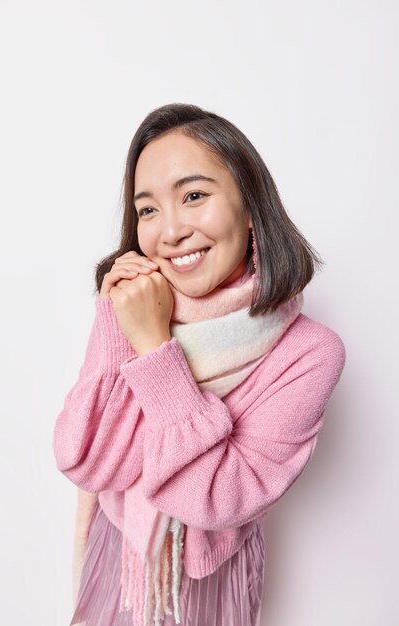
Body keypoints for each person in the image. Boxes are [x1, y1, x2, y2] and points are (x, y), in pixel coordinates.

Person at [52, 103, 346, 626]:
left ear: (251, 205)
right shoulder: (135, 304)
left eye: (193, 196)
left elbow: (218, 498)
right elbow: (86, 460)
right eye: (148, 210)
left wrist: (155, 349)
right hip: (122, 554)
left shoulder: (309, 353)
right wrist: (117, 325)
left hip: (211, 579)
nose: (170, 232)